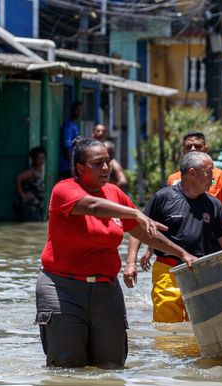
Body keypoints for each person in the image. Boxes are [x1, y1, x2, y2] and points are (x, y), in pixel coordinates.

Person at [37, 137, 198, 368]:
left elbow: (146, 233)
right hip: (62, 288)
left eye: (108, 161)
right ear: (80, 168)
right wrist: (134, 213)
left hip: (106, 289)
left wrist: (183, 254)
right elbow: (92, 206)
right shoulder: (64, 189)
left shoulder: (114, 193)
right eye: (97, 163)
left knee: (112, 365)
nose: (105, 168)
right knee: (66, 366)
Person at [123, 151, 222, 322]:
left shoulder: (214, 205)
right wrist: (130, 263)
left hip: (201, 272)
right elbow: (137, 230)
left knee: (198, 328)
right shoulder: (164, 197)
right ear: (192, 173)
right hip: (167, 272)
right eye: (209, 171)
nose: (213, 177)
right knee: (167, 330)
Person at [165, 131, 222, 230]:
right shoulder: (172, 179)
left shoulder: (221, 177)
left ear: (205, 149)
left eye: (197, 146)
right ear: (183, 151)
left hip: (215, 237)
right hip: (182, 236)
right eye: (188, 147)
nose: (193, 149)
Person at [14, 146, 47, 222]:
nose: (42, 161)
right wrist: (22, 194)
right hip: (29, 207)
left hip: (36, 207)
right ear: (34, 159)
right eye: (39, 158)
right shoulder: (31, 172)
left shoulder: (40, 170)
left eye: (43, 158)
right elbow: (18, 179)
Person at [59, 101, 83, 179]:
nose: (79, 112)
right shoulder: (68, 125)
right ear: (72, 110)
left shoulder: (75, 124)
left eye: (80, 110)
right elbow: (67, 146)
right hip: (67, 165)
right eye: (77, 110)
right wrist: (71, 165)